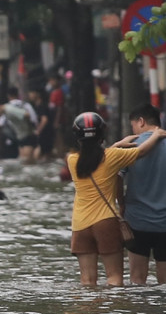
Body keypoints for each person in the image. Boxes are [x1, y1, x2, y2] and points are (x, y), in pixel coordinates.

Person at [66, 111, 166, 288]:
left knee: (87, 281)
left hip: (80, 224)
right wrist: (157, 134)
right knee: (114, 279)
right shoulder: (113, 157)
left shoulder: (72, 160)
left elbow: (95, 157)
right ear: (102, 134)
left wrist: (118, 144)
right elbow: (141, 151)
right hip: (105, 222)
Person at [113, 105, 166, 286]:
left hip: (137, 220)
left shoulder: (130, 146)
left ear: (141, 121)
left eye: (133, 125)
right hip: (165, 223)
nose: (133, 130)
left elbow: (117, 179)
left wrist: (121, 203)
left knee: (136, 280)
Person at [0, 86, 38, 163]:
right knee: (30, 161)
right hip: (29, 136)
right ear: (18, 94)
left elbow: (0, 123)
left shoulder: (7, 108)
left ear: (8, 96)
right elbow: (34, 119)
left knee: (23, 161)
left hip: (17, 138)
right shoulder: (26, 105)